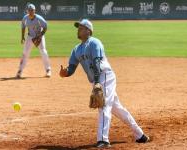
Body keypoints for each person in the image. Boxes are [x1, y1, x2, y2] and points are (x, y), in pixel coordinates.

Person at [59, 19, 150, 148]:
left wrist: (97, 83)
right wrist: (65, 72)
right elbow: (71, 68)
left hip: (105, 76)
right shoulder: (76, 49)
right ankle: (140, 135)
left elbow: (97, 63)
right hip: (97, 80)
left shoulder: (94, 43)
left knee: (104, 106)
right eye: (78, 27)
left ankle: (103, 140)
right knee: (117, 109)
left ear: (88, 31)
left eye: (81, 27)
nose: (78, 29)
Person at [16, 3, 51, 78]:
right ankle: (20, 71)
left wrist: (40, 36)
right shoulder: (25, 18)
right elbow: (23, 27)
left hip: (39, 36)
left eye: (32, 10)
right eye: (29, 10)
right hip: (30, 37)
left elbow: (45, 27)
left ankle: (48, 70)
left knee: (43, 51)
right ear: (27, 11)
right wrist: (22, 37)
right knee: (25, 53)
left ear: (34, 10)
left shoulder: (39, 18)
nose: (31, 11)